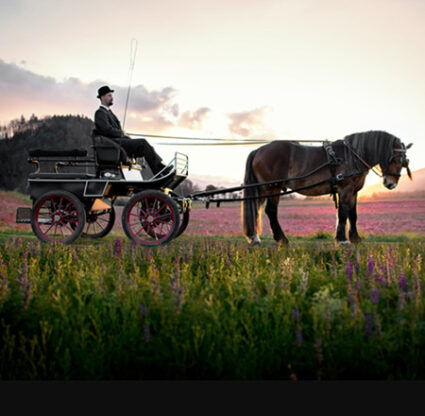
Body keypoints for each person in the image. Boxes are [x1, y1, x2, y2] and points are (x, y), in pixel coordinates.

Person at [94, 85, 172, 175]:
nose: (112, 98)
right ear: (102, 97)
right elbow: (106, 130)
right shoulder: (100, 113)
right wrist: (121, 133)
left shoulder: (109, 113)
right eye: (109, 96)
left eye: (112, 95)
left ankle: (160, 170)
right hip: (114, 143)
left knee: (146, 147)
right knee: (143, 143)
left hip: (119, 142)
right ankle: (160, 171)